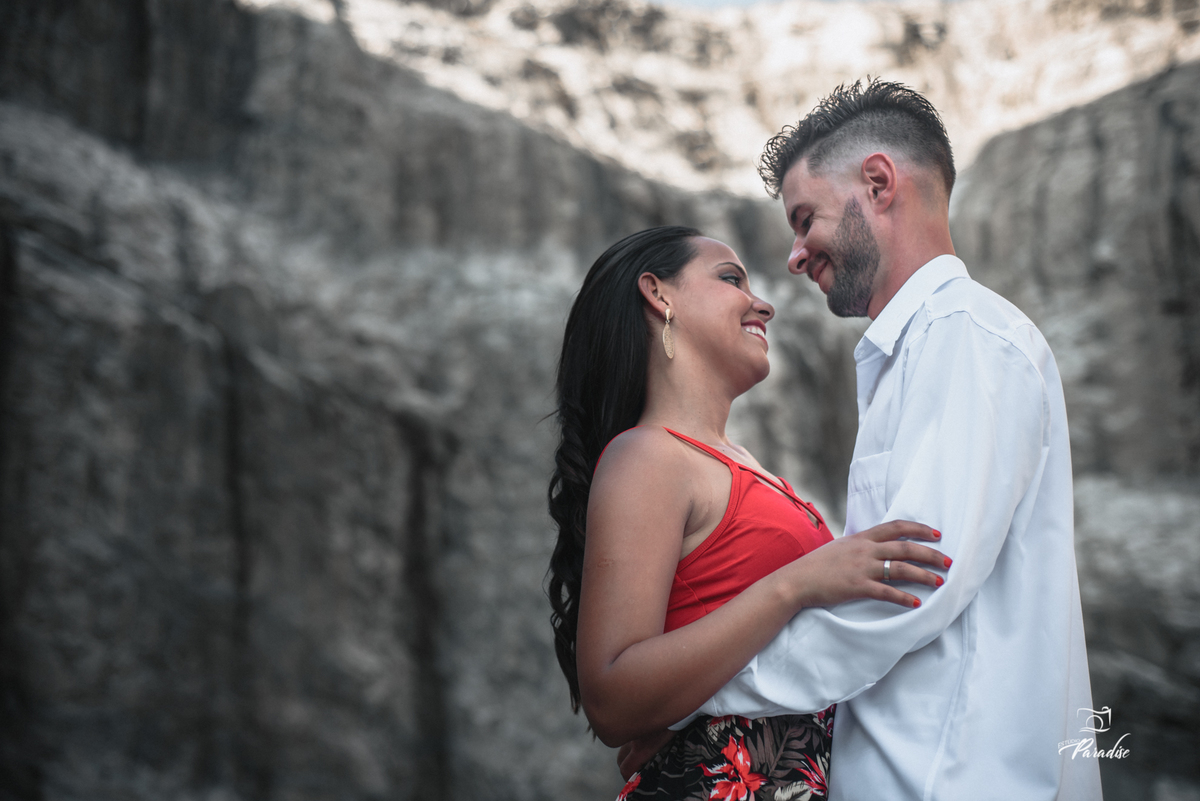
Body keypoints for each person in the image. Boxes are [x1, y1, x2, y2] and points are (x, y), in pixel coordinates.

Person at [624, 80, 1102, 799]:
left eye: (804, 219)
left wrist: (697, 700)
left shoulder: (962, 339)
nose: (794, 256)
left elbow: (905, 587)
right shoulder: (926, 349)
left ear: (878, 183)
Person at [546, 226, 950, 799]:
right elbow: (611, 698)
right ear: (658, 294)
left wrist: (698, 703)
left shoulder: (744, 467)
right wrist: (795, 585)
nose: (764, 304)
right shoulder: (648, 456)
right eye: (731, 279)